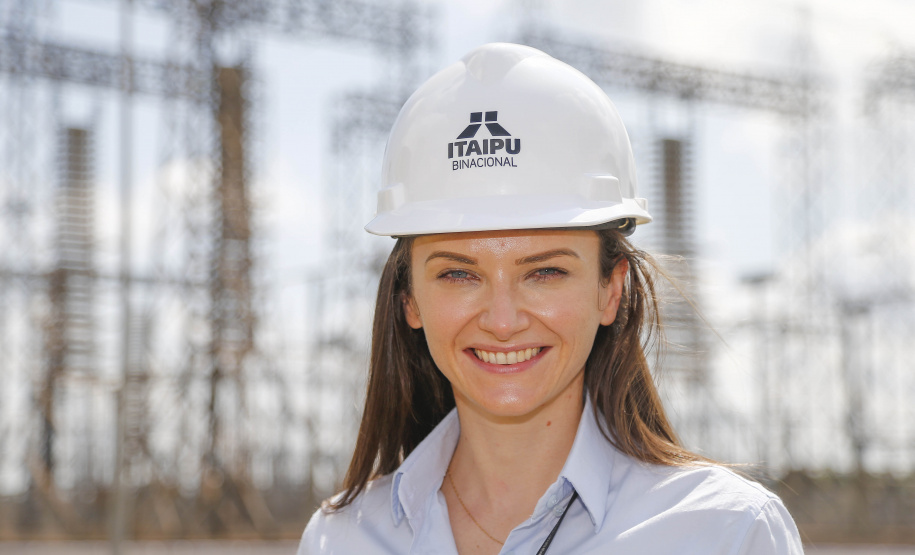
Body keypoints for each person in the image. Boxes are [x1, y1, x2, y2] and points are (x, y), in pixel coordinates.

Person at [298, 43, 803, 554]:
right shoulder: (339, 539)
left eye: (545, 272)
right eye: (458, 274)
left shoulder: (726, 532)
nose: (502, 320)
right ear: (409, 300)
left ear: (611, 290)